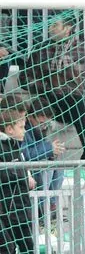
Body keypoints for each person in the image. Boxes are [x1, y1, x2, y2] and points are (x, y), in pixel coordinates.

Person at [0, 107, 33, 254]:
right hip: (8, 212)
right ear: (9, 129)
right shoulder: (3, 148)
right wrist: (22, 176)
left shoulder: (16, 148)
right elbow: (6, 175)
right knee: (8, 249)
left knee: (28, 248)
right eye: (21, 127)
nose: (24, 131)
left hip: (21, 210)